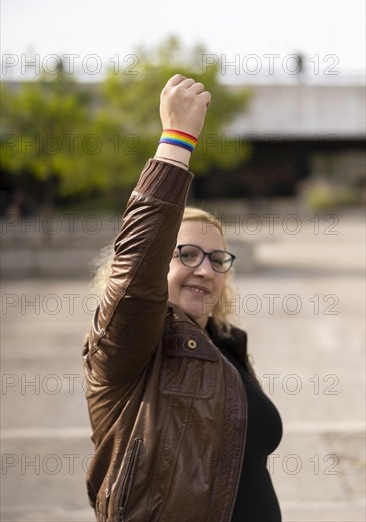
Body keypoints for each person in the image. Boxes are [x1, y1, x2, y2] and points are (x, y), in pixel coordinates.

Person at [83, 74, 283, 522]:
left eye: (216, 259)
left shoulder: (222, 343)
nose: (204, 269)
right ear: (160, 266)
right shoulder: (128, 346)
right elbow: (138, 268)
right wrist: (177, 140)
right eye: (186, 255)